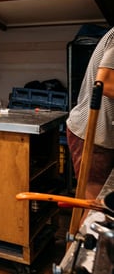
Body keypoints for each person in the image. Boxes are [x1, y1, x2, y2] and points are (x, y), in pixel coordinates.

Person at [66, 27, 114, 200]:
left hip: (105, 132)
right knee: (93, 203)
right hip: (93, 133)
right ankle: (81, 228)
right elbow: (105, 84)